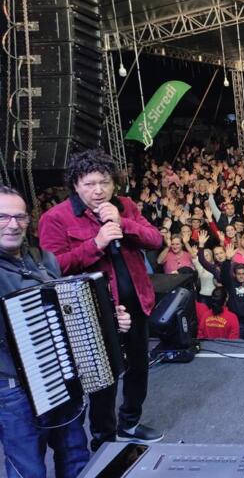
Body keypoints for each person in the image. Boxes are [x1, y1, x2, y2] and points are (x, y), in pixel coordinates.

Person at [0, 186, 131, 478]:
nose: (12, 224)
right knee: (27, 477)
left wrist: (108, 319)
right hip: (15, 390)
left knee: (74, 457)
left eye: (19, 216)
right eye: (3, 217)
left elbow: (69, 307)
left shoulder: (42, 260)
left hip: (61, 376)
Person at [39, 150, 164, 452]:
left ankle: (130, 423)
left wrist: (124, 224)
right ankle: (104, 439)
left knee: (139, 368)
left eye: (105, 182)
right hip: (92, 311)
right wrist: (96, 244)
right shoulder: (55, 218)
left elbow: (155, 239)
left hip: (136, 303)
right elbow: (53, 268)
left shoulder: (126, 206)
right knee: (102, 378)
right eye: (90, 183)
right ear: (75, 185)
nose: (99, 190)